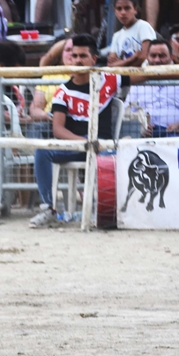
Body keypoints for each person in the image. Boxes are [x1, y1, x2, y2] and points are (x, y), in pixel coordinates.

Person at [30, 35, 129, 228]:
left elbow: (148, 74)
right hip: (77, 143)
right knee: (42, 151)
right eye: (74, 55)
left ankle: (103, 211)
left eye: (83, 56)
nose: (77, 60)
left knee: (114, 158)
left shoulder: (110, 78)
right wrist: (84, 143)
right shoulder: (63, 91)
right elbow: (57, 129)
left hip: (103, 143)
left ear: (94, 59)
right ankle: (48, 208)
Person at [126, 38, 179, 136]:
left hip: (176, 134)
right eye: (153, 56)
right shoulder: (138, 82)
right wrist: (140, 126)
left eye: (162, 56)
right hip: (142, 135)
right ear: (147, 57)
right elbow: (127, 111)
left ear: (171, 57)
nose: (157, 60)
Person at [108, 0, 155, 68]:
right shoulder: (116, 36)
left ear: (135, 9)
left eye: (127, 8)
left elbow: (144, 57)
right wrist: (133, 58)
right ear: (115, 11)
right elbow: (111, 64)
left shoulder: (143, 26)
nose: (123, 12)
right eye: (119, 9)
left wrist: (121, 63)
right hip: (124, 77)